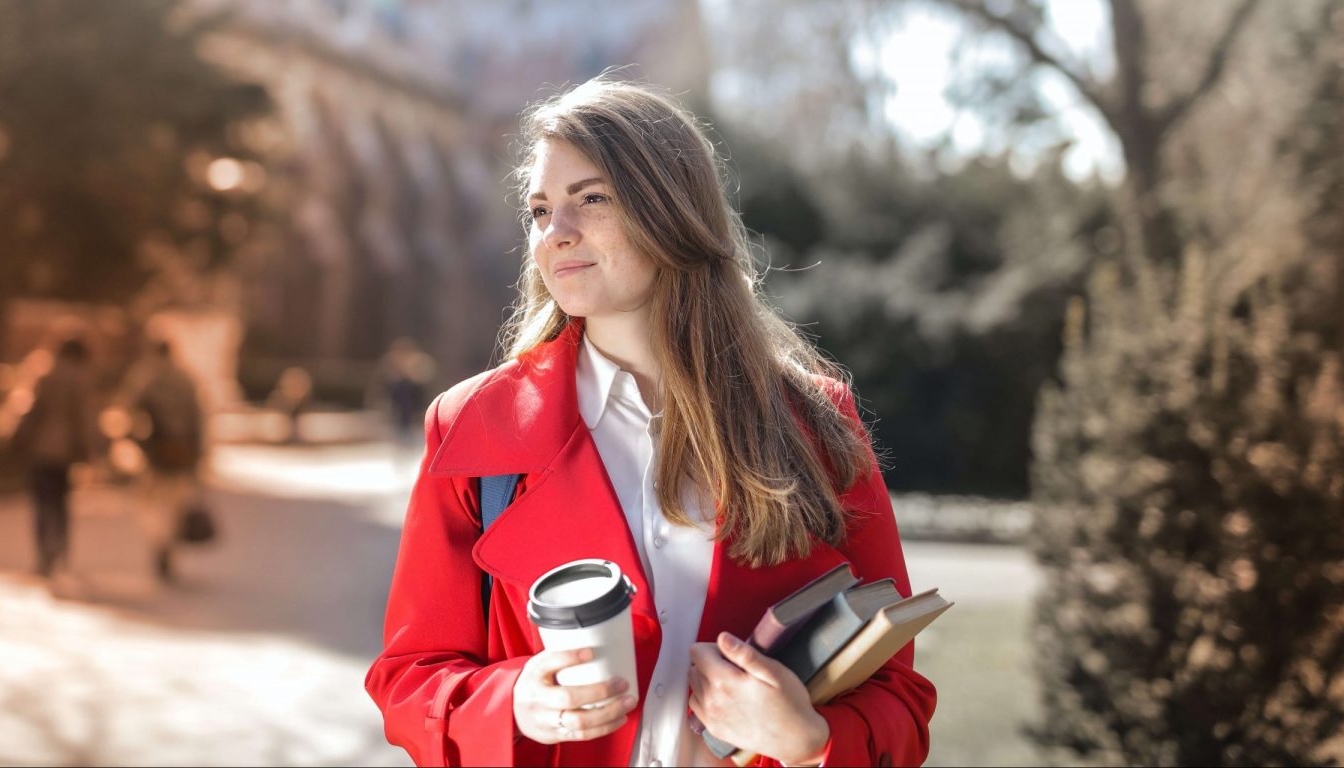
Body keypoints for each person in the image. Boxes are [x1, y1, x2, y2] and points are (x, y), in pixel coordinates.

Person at [364, 78, 936, 767]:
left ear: (672, 211)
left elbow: (899, 694)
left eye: (591, 199)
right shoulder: (472, 427)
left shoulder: (817, 423)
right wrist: (513, 702)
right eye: (540, 210)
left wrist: (812, 743)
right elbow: (409, 678)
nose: (556, 233)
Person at [12, 337, 101, 578]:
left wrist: (19, 438)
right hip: (65, 452)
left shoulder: (44, 373)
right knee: (60, 503)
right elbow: (84, 419)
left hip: (40, 449)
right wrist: (89, 451)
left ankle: (43, 553)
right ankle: (59, 549)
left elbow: (30, 410)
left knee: (41, 503)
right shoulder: (81, 380)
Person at [127, 338, 205, 583]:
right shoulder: (185, 380)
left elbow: (130, 412)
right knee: (175, 504)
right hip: (182, 453)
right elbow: (198, 419)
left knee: (153, 502)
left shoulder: (145, 379)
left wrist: (139, 443)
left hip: (156, 453)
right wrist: (198, 453)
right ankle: (167, 546)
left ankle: (160, 544)